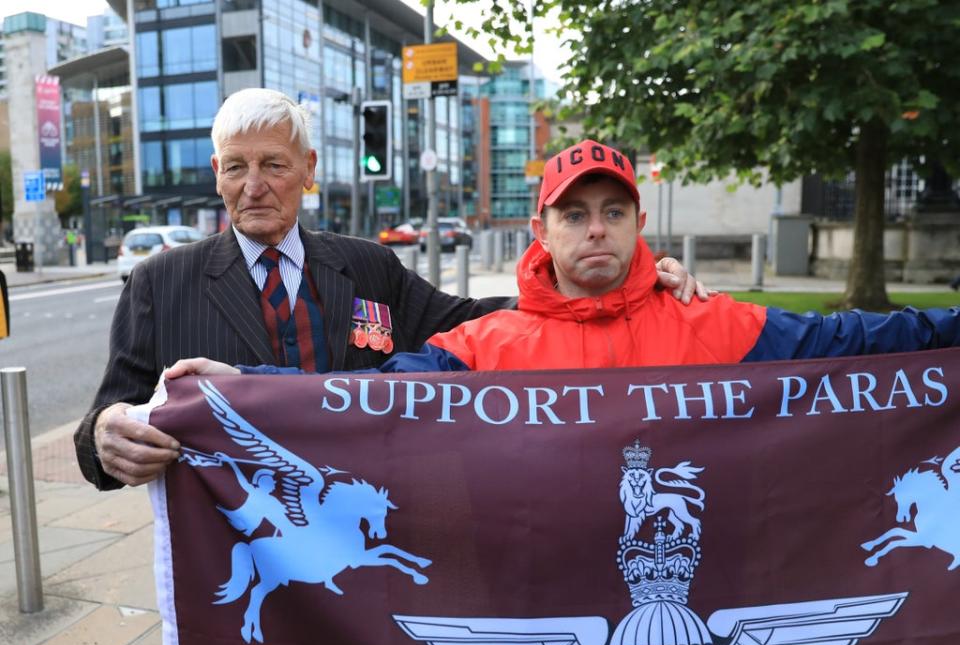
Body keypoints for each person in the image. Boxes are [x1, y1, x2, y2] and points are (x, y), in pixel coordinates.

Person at [77, 93, 703, 491]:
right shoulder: (161, 282)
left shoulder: (368, 267)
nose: (255, 185)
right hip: (232, 543)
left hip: (355, 526)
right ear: (217, 174)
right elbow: (107, 419)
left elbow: (478, 323)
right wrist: (106, 434)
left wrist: (619, 286)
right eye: (237, 166)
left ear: (309, 171)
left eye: (274, 164)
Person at [175, 139, 958, 379]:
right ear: (540, 231)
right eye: (575, 214)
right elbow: (358, 400)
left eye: (613, 213)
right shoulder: (486, 348)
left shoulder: (714, 324)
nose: (596, 231)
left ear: (638, 222)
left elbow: (854, 344)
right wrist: (245, 387)